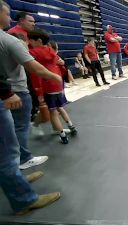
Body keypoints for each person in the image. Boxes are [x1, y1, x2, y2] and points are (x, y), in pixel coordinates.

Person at [0, 0, 61, 214]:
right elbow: (34, 66)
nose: (9, 17)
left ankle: (14, 178)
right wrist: (55, 76)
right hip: (12, 93)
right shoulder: (10, 39)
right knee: (9, 147)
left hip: (10, 92)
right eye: (6, 13)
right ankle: (24, 199)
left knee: (9, 143)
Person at [28, 29, 77, 144]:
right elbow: (60, 62)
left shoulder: (33, 53)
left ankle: (62, 135)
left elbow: (36, 73)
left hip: (47, 84)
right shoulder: (51, 50)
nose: (29, 42)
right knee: (60, 107)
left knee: (53, 112)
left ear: (38, 40)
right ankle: (71, 126)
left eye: (31, 40)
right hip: (58, 83)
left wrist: (39, 92)